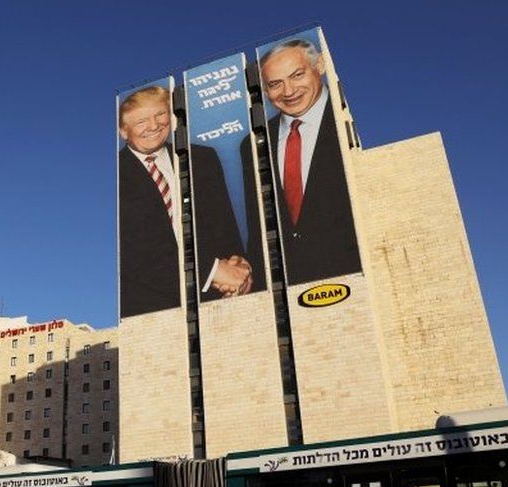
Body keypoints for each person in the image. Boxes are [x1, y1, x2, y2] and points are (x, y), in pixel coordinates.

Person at [118, 85, 254, 317]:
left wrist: (240, 266)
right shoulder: (113, 173)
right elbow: (136, 248)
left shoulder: (202, 158)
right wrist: (212, 272)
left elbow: (225, 223)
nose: (154, 126)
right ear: (123, 131)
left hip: (217, 299)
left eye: (160, 115)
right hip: (150, 308)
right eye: (141, 121)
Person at [258, 38, 362, 286]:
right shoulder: (253, 144)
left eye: (297, 75)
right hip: (286, 283)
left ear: (320, 65)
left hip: (350, 276)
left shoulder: (339, 122)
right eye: (275, 84)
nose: (289, 91)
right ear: (265, 91)